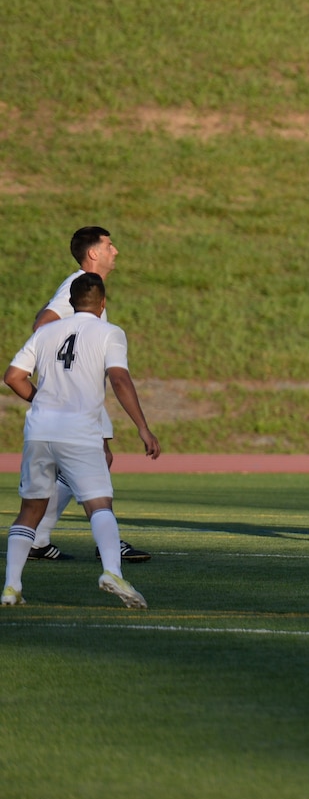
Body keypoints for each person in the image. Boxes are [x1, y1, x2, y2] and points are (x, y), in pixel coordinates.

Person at [3, 274, 160, 608]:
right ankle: (111, 572)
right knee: (99, 504)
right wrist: (142, 427)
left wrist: (43, 400)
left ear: (70, 303)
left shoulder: (45, 332)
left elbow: (13, 377)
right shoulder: (109, 332)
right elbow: (119, 378)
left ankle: (11, 586)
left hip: (40, 431)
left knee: (30, 510)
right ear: (102, 303)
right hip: (80, 432)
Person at [25, 225, 150, 565]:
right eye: (109, 245)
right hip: (75, 397)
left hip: (79, 398)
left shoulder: (86, 288)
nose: (116, 251)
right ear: (93, 253)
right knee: (93, 459)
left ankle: (40, 537)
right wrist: (64, 376)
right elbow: (42, 325)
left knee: (102, 456)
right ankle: (101, 542)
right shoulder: (73, 286)